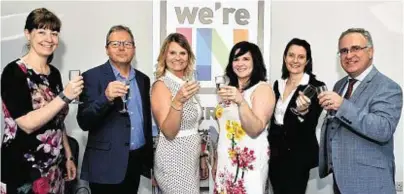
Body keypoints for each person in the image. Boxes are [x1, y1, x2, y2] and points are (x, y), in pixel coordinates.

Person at [1, 8, 82, 193]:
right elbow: (27, 123)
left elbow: (57, 121)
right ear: (27, 34)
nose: (49, 38)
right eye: (41, 31)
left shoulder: (53, 74)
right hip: (23, 171)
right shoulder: (13, 72)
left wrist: (68, 156)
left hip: (54, 169)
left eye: (54, 33)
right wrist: (65, 96)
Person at [318, 28, 402, 194]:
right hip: (340, 182)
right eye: (344, 51)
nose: (349, 55)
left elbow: (383, 129)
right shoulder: (340, 85)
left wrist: (342, 105)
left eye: (356, 48)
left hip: (370, 183)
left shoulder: (388, 87)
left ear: (370, 52)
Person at [76, 25, 153, 194]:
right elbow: (84, 121)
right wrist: (106, 98)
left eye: (127, 43)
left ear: (134, 48)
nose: (122, 48)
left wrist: (149, 163)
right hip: (105, 167)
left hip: (135, 161)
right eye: (115, 43)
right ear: (106, 49)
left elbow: (145, 123)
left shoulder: (143, 79)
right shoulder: (91, 77)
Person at [212, 41, 275, 193]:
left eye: (245, 59)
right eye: (236, 59)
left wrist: (241, 101)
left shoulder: (262, 89)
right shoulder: (228, 89)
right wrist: (217, 159)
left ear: (255, 62)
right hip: (225, 161)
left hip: (248, 164)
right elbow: (224, 130)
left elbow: (255, 129)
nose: (240, 63)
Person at [151, 32, 208, 194]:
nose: (178, 57)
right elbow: (169, 132)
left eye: (183, 53)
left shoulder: (186, 84)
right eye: (172, 52)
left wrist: (202, 156)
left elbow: (192, 127)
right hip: (173, 159)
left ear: (189, 57)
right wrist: (177, 101)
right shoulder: (161, 85)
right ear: (164, 56)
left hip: (191, 157)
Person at [267, 38, 325, 194]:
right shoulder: (278, 84)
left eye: (301, 57)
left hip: (298, 156)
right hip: (275, 154)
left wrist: (303, 112)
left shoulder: (316, 87)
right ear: (285, 57)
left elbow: (311, 122)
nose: (295, 60)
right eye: (291, 55)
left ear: (307, 61)